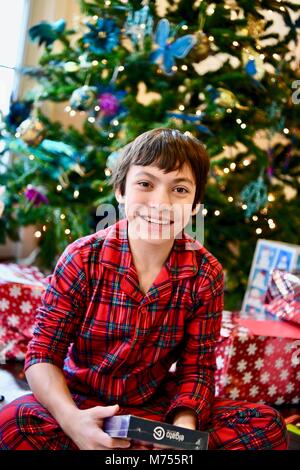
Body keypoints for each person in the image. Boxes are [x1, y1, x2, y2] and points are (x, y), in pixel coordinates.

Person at [0, 128, 287, 450]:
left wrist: (182, 433)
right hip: (79, 401)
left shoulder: (205, 274)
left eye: (179, 189)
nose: (161, 203)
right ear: (121, 191)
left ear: (195, 204)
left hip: (154, 408)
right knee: (14, 423)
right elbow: (42, 354)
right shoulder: (82, 258)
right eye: (145, 184)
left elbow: (197, 367)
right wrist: (72, 421)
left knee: (266, 423)